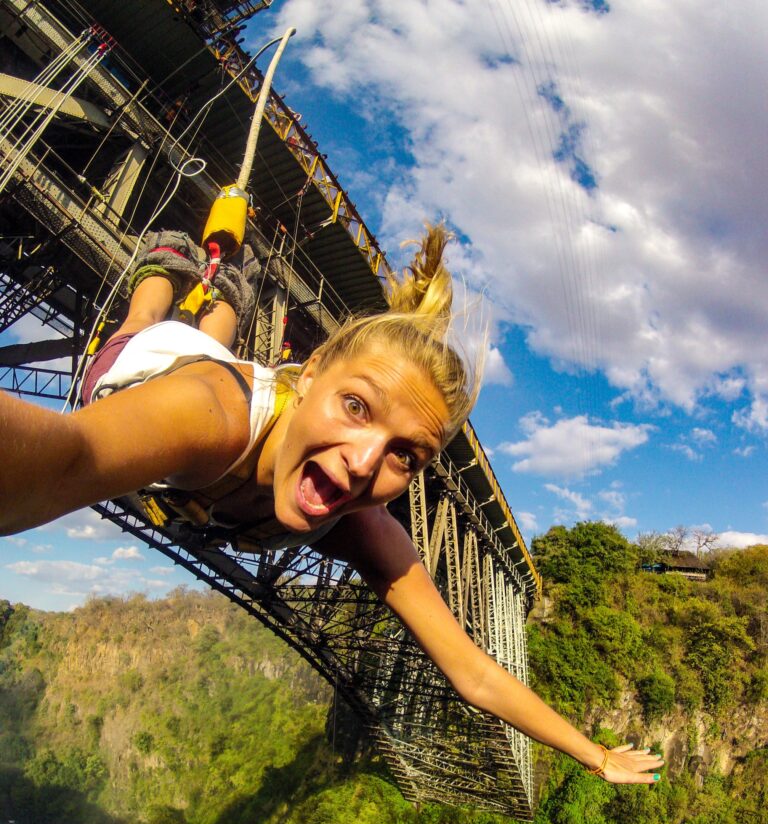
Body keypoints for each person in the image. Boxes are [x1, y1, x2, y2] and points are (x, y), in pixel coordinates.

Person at [0, 225, 663, 786]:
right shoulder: (206, 418)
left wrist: (594, 754)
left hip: (219, 383)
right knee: (142, 326)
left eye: (407, 454)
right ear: (309, 371)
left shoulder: (363, 526)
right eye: (356, 407)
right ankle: (166, 270)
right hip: (152, 369)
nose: (366, 461)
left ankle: (226, 297)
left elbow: (475, 675)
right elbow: (60, 463)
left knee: (216, 340)